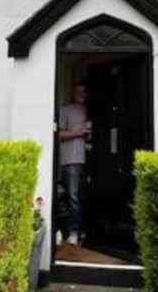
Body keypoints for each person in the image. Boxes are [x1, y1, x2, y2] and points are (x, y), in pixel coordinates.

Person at [59, 83, 90, 246]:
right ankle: (74, 232)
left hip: (90, 160)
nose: (81, 94)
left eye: (84, 91)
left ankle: (84, 230)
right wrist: (79, 132)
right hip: (72, 159)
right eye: (78, 91)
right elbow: (60, 134)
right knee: (73, 196)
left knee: (85, 196)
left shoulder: (90, 110)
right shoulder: (66, 110)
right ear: (73, 92)